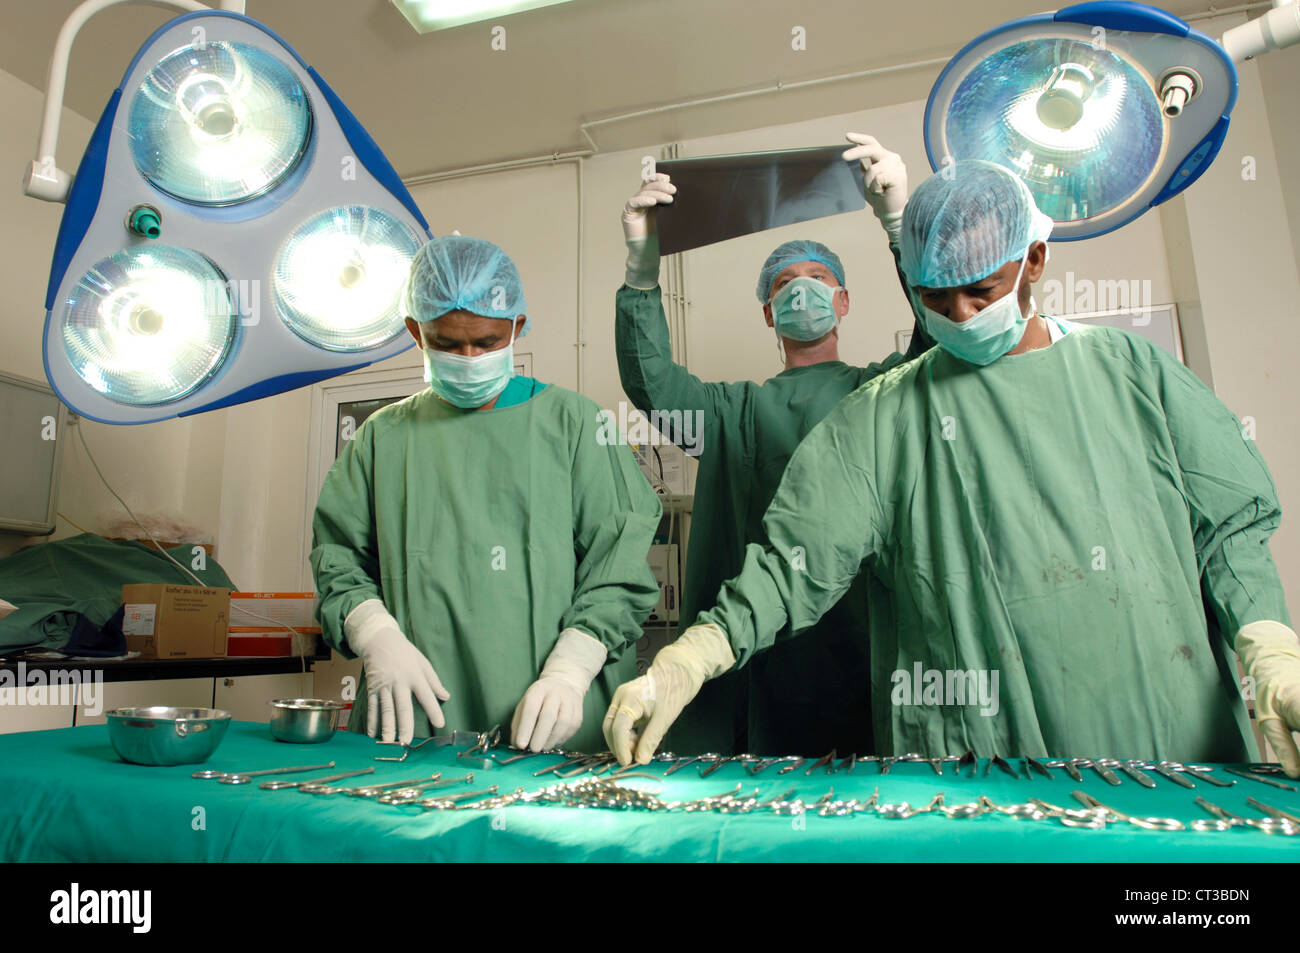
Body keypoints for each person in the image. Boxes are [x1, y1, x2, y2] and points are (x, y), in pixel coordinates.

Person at [605, 160, 1300, 776]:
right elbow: (794, 561)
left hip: (1166, 737)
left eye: (981, 292)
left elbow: (1228, 522)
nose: (961, 317)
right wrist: (688, 656)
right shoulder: (882, 411)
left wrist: (1269, 646)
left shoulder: (1132, 371)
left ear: (1033, 259)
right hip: (971, 756)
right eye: (936, 300)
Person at [614, 134, 931, 756]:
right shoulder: (735, 412)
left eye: (818, 280)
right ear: (768, 312)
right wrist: (642, 267)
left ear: (842, 302)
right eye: (787, 283)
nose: (803, 291)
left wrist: (900, 225)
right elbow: (651, 384)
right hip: (751, 656)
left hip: (867, 651)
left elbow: (942, 333)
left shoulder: (883, 391)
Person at [312, 235, 661, 752]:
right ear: (416, 331)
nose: (470, 357)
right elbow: (336, 557)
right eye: (448, 344)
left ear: (518, 327)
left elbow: (621, 567)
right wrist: (373, 632)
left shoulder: (577, 425)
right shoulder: (381, 437)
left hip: (557, 717)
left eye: (488, 341)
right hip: (417, 721)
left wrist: (572, 668)